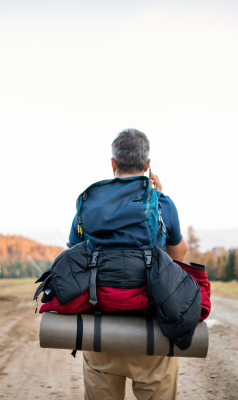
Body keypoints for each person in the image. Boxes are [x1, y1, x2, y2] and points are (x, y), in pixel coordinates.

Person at [67, 128, 187, 400]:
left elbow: (73, 256)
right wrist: (158, 197)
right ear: (147, 165)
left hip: (101, 334)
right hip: (151, 336)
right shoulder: (163, 204)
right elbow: (177, 257)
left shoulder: (88, 204)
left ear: (113, 164)